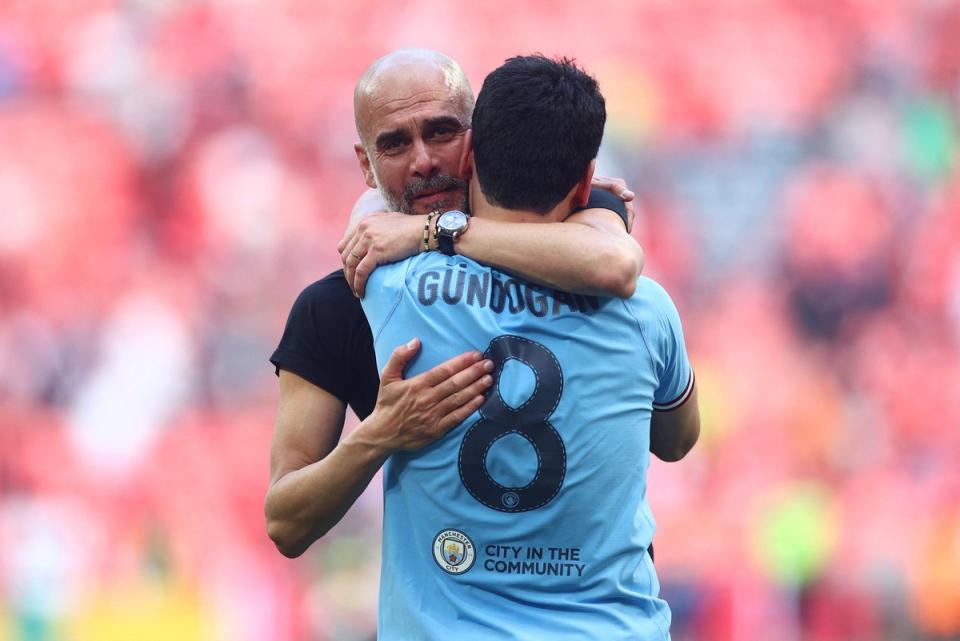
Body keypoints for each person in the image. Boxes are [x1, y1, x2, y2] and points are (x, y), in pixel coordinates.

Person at [359, 55, 699, 640]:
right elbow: (677, 440)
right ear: (586, 181)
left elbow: (376, 211)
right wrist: (602, 215)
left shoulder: (397, 287)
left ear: (468, 159)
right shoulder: (648, 312)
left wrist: (430, 231)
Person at [265, 49, 645, 559]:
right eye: (395, 144)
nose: (423, 160)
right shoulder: (337, 306)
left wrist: (435, 231)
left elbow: (615, 264)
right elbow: (285, 522)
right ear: (366, 165)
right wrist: (378, 435)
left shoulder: (573, 240)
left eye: (442, 132)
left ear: (478, 139)